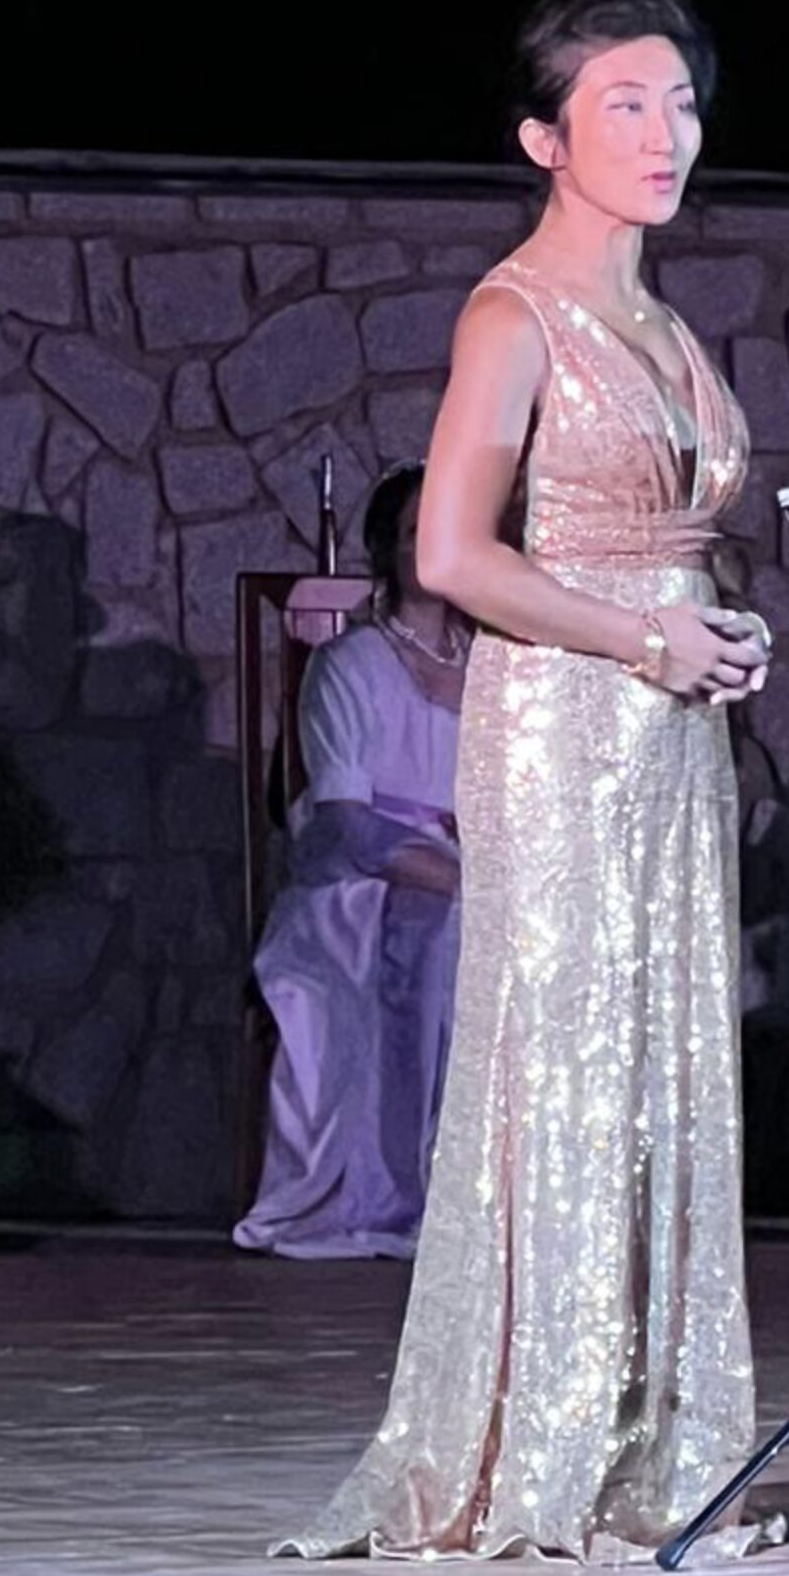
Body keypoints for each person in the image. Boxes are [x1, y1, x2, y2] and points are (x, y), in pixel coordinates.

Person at [272, 0, 771, 1563]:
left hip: (669, 726)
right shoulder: (514, 314)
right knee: (563, 1063)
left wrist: (711, 630)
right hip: (562, 721)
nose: (665, 133)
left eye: (679, 102)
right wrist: (638, 638)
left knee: (663, 1059)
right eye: (624, 104)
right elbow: (450, 555)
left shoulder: (665, 325)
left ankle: (650, 1442)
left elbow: (664, 540)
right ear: (544, 138)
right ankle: (535, 1440)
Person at [235, 465, 469, 1259]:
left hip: (469, 865)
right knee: (443, 930)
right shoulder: (352, 664)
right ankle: (397, 1188)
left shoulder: (494, 667)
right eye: (412, 532)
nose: (429, 546)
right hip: (360, 881)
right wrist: (459, 877)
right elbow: (348, 823)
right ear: (387, 549)